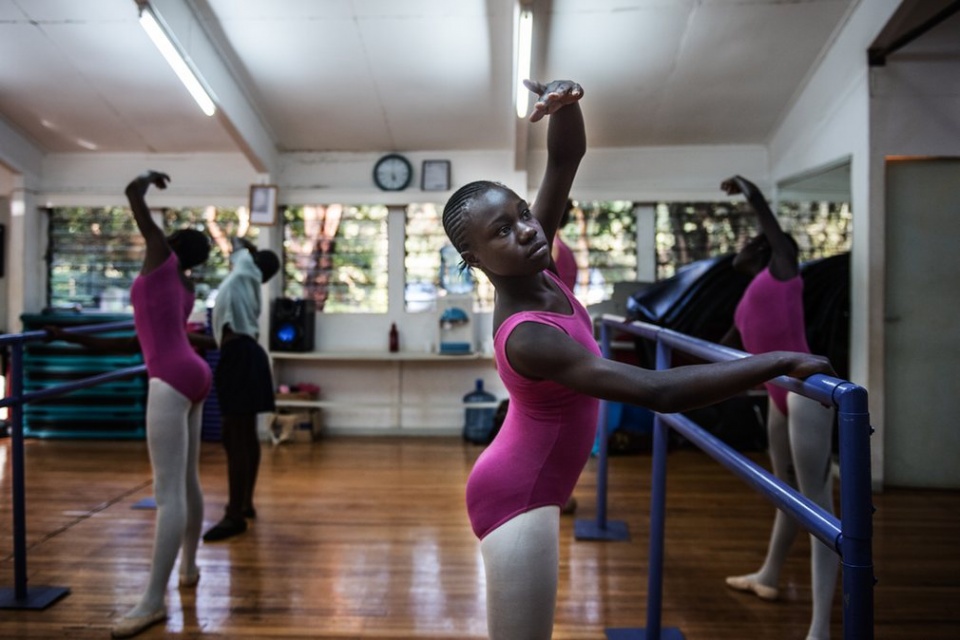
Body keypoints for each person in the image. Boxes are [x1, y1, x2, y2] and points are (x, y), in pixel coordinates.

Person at [441, 80, 836, 640]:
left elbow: (564, 159)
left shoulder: (537, 262)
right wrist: (774, 362)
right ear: (475, 258)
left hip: (532, 483)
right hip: (517, 496)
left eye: (522, 213)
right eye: (502, 230)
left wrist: (566, 105)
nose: (526, 229)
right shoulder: (528, 335)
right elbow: (658, 391)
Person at [718, 174, 838, 640]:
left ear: (765, 250)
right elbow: (721, 350)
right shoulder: (747, 301)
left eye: (752, 241)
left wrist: (750, 191)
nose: (743, 247)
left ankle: (820, 628)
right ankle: (769, 576)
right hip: (778, 395)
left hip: (807, 393)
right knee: (784, 493)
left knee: (818, 509)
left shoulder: (783, 274)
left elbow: (772, 229)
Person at [113, 170, 211, 638]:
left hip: (169, 376)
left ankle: (152, 600)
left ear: (170, 243)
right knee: (187, 481)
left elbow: (133, 195)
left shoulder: (161, 260)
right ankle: (189, 568)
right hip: (193, 371)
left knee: (168, 491)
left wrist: (148, 178)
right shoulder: (185, 285)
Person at [194, 237, 280, 542]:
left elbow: (239, 243)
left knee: (235, 437)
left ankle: (233, 515)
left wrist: (248, 248)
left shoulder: (245, 272)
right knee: (244, 435)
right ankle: (244, 504)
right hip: (247, 354)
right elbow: (222, 340)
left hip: (240, 358)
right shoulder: (245, 289)